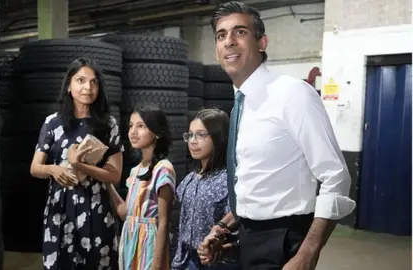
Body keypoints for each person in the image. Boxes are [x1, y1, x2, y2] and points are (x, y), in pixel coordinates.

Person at [198, 2, 357, 270]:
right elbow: (257, 185)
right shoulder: (242, 104)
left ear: (262, 42)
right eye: (221, 35)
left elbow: (336, 178)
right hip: (248, 236)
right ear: (216, 50)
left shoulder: (292, 94)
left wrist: (308, 254)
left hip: (284, 239)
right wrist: (224, 227)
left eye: (240, 32)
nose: (229, 42)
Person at [29, 57, 123, 270]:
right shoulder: (52, 123)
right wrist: (53, 169)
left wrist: (79, 165)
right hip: (60, 208)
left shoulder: (108, 125)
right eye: (80, 80)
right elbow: (35, 168)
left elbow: (115, 175)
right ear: (69, 86)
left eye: (94, 82)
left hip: (97, 207)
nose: (88, 87)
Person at [106, 105, 176, 270]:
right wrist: (107, 183)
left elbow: (164, 222)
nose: (133, 132)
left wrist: (156, 264)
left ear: (157, 132)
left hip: (149, 243)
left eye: (141, 126)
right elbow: (126, 213)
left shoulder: (163, 169)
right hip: (130, 240)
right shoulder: (135, 171)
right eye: (131, 126)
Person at [171, 108, 240, 270]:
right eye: (190, 135)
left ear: (218, 138)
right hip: (187, 261)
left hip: (219, 263)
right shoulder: (191, 178)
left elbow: (237, 224)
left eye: (201, 135)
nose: (193, 141)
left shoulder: (230, 179)